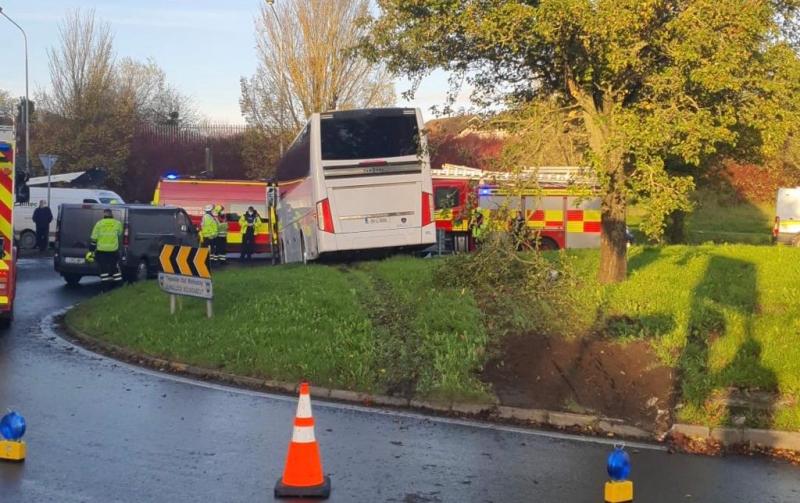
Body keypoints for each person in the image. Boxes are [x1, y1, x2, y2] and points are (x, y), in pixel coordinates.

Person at [89, 209, 123, 286]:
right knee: (114, 267)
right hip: (113, 250)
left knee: (103, 268)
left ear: (104, 215)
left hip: (101, 251)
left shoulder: (99, 223)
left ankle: (105, 285)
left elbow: (94, 238)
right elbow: (119, 233)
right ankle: (118, 285)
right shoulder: (117, 223)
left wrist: (91, 250)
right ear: (112, 214)